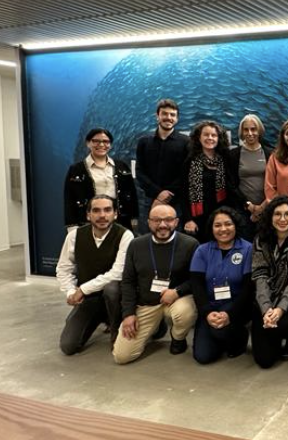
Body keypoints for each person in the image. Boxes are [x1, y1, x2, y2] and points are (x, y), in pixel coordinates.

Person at [113, 204, 198, 365]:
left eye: (168, 220)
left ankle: (178, 338)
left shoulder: (190, 244)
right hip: (146, 303)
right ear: (149, 222)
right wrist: (128, 314)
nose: (163, 225)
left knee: (184, 313)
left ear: (176, 222)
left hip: (176, 300)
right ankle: (157, 327)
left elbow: (197, 280)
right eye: (157, 220)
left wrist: (178, 291)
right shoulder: (136, 245)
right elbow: (128, 282)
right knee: (122, 356)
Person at [55, 195, 133, 355]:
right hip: (89, 300)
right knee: (68, 346)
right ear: (88, 215)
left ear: (115, 214)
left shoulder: (125, 236)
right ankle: (101, 318)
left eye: (107, 210)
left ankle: (115, 330)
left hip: (117, 298)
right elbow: (64, 269)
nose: (102, 215)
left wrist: (82, 290)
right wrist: (70, 292)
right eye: (96, 210)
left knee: (111, 289)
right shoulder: (74, 236)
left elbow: (117, 273)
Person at [250, 196, 288, 368]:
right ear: (270, 217)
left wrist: (279, 310)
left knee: (279, 325)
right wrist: (266, 309)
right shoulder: (260, 240)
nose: (282, 219)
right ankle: (274, 333)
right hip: (266, 296)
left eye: (287, 214)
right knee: (265, 360)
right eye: (277, 214)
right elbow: (260, 275)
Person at [189, 206, 254, 364]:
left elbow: (248, 288)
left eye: (228, 224)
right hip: (210, 305)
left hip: (237, 305)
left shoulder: (248, 249)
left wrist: (229, 314)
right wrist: (207, 312)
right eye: (217, 225)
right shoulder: (202, 250)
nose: (223, 229)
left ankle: (238, 337)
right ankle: (218, 335)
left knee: (220, 331)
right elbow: (196, 285)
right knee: (203, 357)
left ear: (236, 226)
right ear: (211, 228)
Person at [64, 128, 138, 232]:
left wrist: (134, 218)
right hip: (89, 222)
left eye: (105, 141)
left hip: (120, 221)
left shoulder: (122, 166)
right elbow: (69, 199)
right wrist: (71, 226)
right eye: (96, 141)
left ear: (110, 145)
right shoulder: (76, 169)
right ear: (88, 143)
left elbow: (132, 194)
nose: (101, 144)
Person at [179, 121, 239, 243]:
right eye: (206, 135)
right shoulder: (190, 161)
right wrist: (188, 219)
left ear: (219, 138)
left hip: (221, 216)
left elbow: (232, 187)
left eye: (214, 135)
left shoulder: (225, 159)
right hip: (197, 218)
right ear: (199, 137)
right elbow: (183, 192)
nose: (210, 138)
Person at [135, 99, 189, 232]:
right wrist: (158, 193)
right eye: (165, 114)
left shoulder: (186, 142)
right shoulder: (144, 142)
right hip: (150, 200)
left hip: (176, 201)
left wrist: (167, 194)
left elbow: (186, 172)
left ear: (177, 118)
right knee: (147, 238)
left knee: (175, 239)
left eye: (172, 115)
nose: (168, 118)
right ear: (157, 116)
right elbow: (139, 171)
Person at [228, 114, 272, 241]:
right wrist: (249, 206)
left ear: (259, 130)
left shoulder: (270, 153)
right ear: (241, 132)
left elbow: (275, 183)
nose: (250, 133)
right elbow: (231, 185)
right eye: (246, 129)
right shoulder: (234, 155)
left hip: (267, 209)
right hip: (242, 210)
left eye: (253, 129)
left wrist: (261, 207)